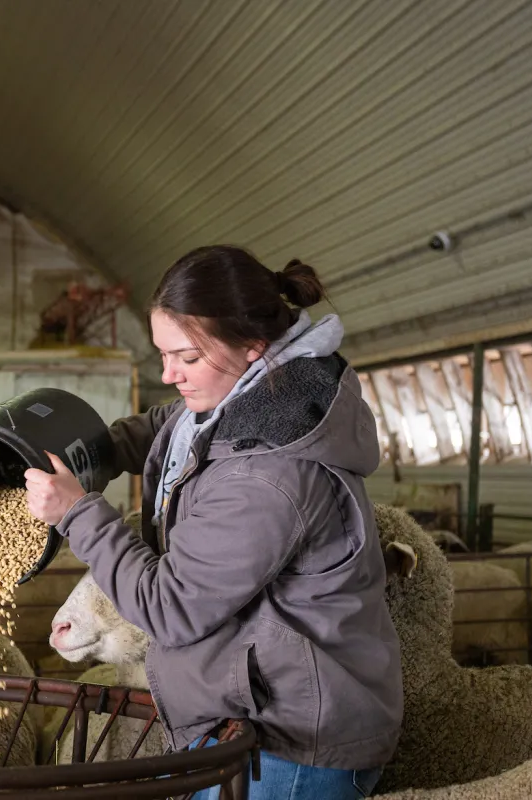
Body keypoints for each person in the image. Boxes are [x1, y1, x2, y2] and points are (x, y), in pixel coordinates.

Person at [24, 245, 401, 800]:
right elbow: (169, 425)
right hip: (247, 710)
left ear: (251, 346)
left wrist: (78, 512)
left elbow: (170, 607)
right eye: (162, 353)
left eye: (186, 358)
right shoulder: (254, 393)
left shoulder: (268, 473)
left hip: (290, 747)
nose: (168, 373)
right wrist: (89, 451)